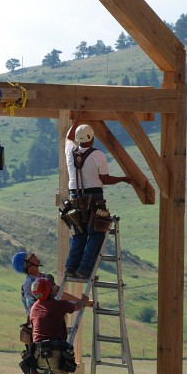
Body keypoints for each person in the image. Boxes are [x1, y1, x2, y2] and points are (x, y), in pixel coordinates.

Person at [64, 116, 132, 279]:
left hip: (74, 199)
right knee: (96, 235)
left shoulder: (69, 151)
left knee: (79, 233)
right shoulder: (98, 155)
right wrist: (124, 179)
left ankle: (71, 267)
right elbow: (105, 179)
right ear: (92, 138)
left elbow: (68, 137)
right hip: (94, 198)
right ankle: (84, 270)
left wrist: (77, 119)